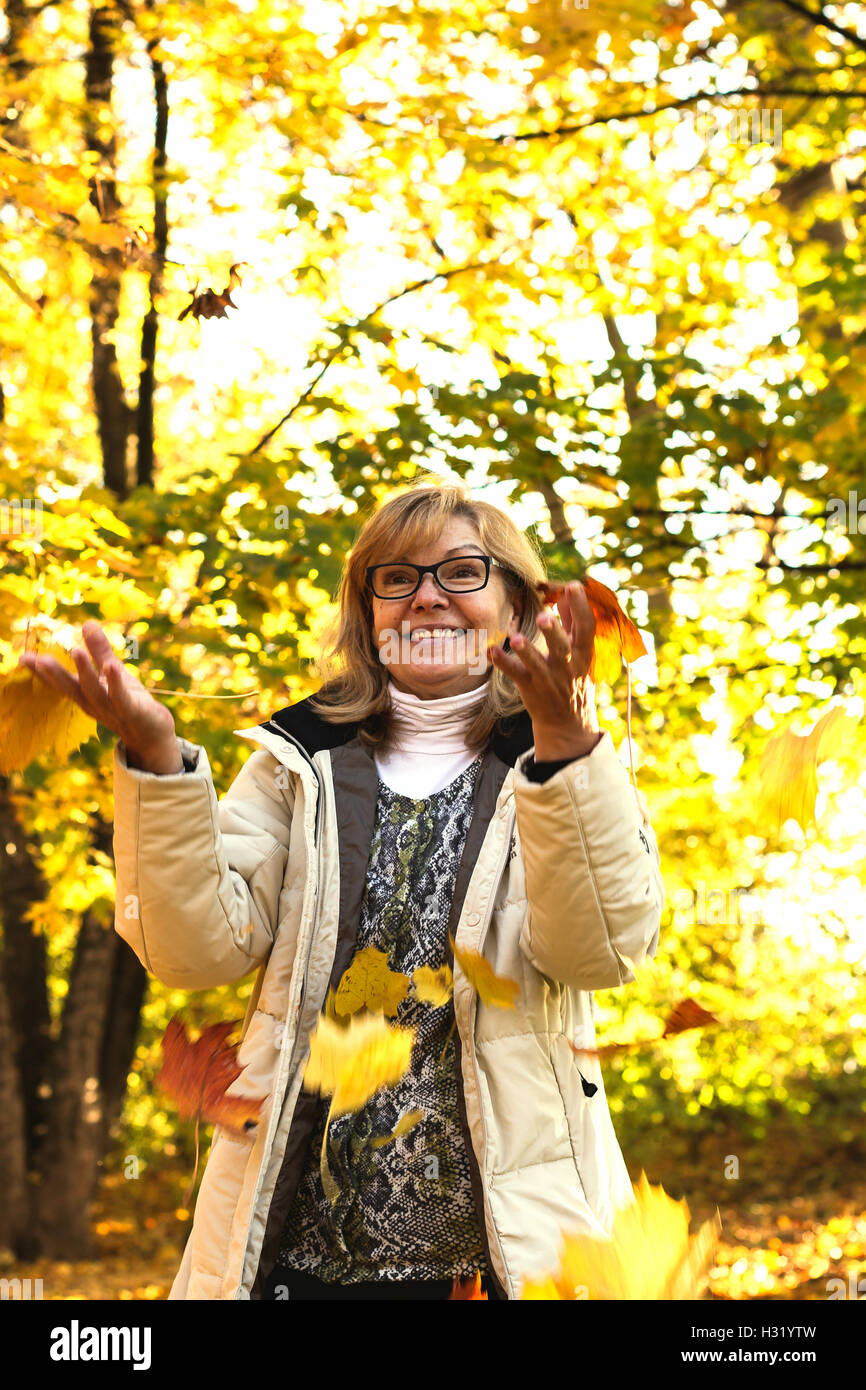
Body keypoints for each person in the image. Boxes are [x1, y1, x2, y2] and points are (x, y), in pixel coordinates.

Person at [18, 479, 664, 1300]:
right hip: (295, 1261)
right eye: (395, 578)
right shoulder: (297, 763)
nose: (426, 596)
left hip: (496, 1263)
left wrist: (567, 746)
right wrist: (156, 763)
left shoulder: (560, 767)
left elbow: (602, 951)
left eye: (461, 572)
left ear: (515, 605)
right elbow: (192, 950)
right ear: (369, 612)